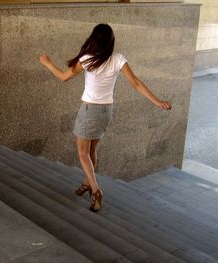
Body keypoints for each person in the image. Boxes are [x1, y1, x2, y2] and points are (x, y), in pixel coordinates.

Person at [39, 23, 171, 212]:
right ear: (110, 42)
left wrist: (47, 63)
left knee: (83, 154)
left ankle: (96, 190)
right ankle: (86, 183)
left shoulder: (87, 59)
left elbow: (62, 77)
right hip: (106, 112)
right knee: (92, 150)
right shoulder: (118, 59)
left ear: (94, 39)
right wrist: (157, 101)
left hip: (89, 111)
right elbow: (136, 83)